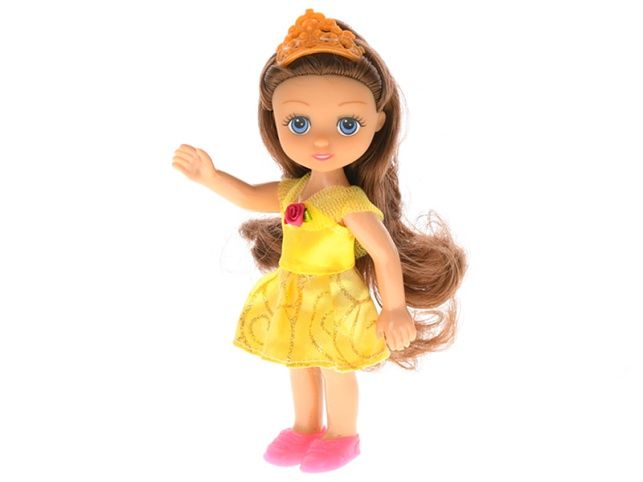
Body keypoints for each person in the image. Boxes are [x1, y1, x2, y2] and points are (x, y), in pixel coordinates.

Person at [172, 8, 466, 473]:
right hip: (294, 292)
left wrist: (394, 308)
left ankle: (342, 435)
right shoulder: (294, 191)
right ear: (274, 119)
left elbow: (384, 252)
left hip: (336, 297)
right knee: (297, 361)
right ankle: (304, 426)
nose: (322, 141)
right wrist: (210, 177)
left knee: (334, 366)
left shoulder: (348, 201)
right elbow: (248, 196)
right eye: (299, 123)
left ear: (377, 122)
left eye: (348, 124)